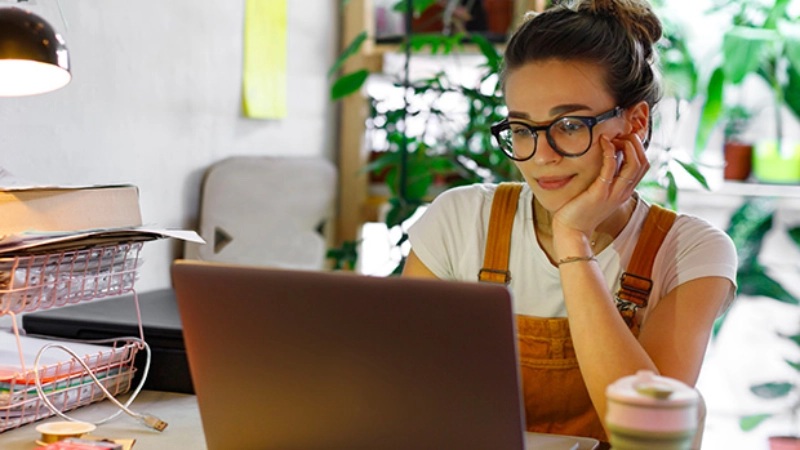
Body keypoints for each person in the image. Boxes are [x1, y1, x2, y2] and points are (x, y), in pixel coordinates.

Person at [402, 0, 737, 446]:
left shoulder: (691, 251)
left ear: (635, 123)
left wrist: (572, 239)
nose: (541, 155)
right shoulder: (460, 220)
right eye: (522, 129)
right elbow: (402, 399)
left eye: (570, 124)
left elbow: (649, 439)